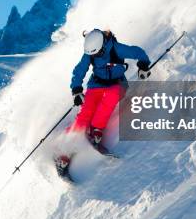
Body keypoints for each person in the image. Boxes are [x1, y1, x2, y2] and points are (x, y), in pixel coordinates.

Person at [55, 28, 151, 179]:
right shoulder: (90, 52)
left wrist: (143, 66)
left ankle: (96, 131)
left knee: (110, 98)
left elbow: (138, 52)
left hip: (117, 84)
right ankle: (63, 153)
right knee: (85, 114)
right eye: (91, 54)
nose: (93, 56)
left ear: (102, 46)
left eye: (96, 53)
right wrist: (76, 89)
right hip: (96, 84)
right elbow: (79, 70)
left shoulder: (116, 48)